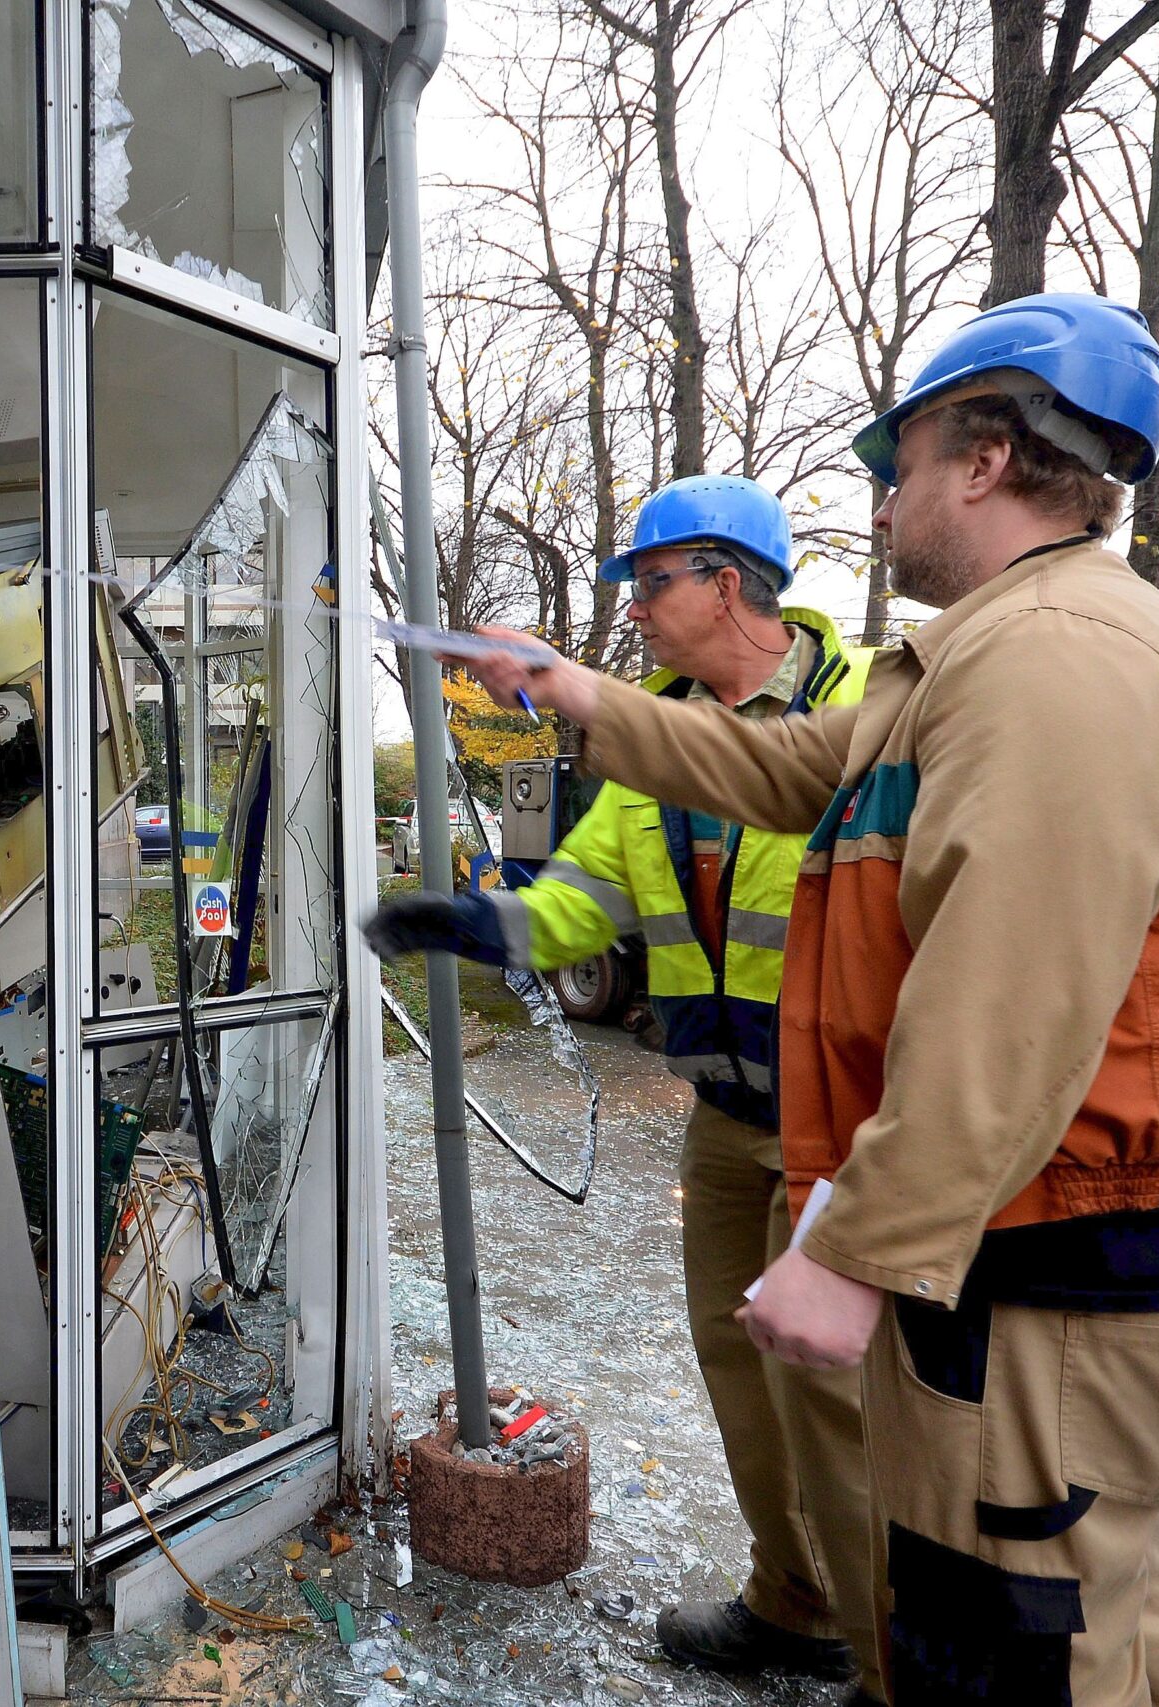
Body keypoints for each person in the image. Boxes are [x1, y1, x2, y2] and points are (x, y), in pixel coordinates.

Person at [465, 294, 1159, 1707]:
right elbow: (784, 770)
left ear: (985, 454)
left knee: (1033, 1644)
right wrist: (570, 689)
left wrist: (857, 1249)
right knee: (1086, 1628)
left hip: (1062, 1257)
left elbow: (1013, 996)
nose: (882, 498)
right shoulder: (971, 655)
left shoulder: (1060, 660)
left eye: (897, 462)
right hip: (1014, 1244)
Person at [365, 476, 880, 1693]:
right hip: (723, 1119)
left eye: (648, 585)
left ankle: (897, 1649)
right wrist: (473, 924)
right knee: (741, 1379)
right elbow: (580, 905)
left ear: (725, 581)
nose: (635, 614)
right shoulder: (653, 739)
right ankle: (796, 1604)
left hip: (848, 1123)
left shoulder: (873, 713)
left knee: (848, 1411)